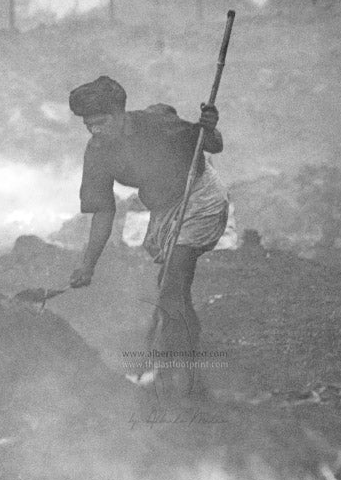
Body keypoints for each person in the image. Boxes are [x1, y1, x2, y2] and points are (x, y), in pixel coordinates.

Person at [68, 75, 228, 397]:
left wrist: (209, 126)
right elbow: (103, 211)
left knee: (170, 287)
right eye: (89, 125)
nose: (95, 131)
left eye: (102, 122)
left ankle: (176, 378)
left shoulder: (156, 125)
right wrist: (88, 265)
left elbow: (213, 145)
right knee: (173, 292)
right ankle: (186, 374)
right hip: (165, 209)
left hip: (197, 196)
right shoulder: (97, 151)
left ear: (121, 114)